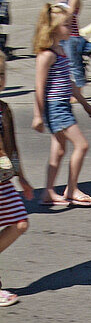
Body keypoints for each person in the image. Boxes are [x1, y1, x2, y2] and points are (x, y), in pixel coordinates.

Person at [31, 5, 91, 208]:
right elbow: (39, 87)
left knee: (59, 150)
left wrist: (85, 104)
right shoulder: (47, 55)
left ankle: (48, 192)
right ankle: (72, 189)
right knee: (82, 145)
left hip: (63, 105)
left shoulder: (60, 50)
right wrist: (37, 115)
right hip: (55, 107)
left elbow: (68, 83)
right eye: (67, 25)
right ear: (53, 28)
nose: (71, 29)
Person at [0, 50, 32, 306]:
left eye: (1, 74)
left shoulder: (4, 109)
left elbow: (12, 147)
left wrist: (22, 176)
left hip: (4, 180)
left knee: (20, 223)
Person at [54, 0, 91, 87]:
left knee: (73, 63)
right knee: (61, 62)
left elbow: (70, 13)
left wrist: (58, 14)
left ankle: (79, 89)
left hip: (71, 35)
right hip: (60, 33)